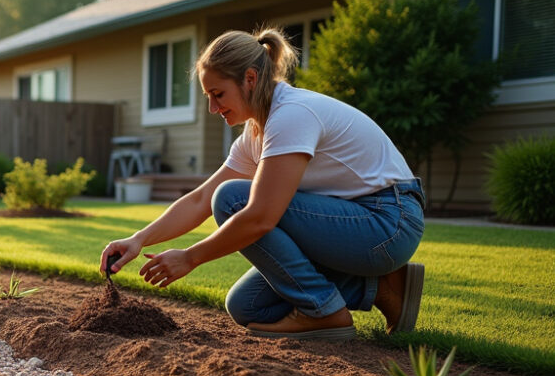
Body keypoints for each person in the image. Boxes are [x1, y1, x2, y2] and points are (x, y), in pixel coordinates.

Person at [100, 28, 425, 340]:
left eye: (218, 94)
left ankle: (323, 310)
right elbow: (201, 200)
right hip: (360, 223)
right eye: (208, 96)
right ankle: (383, 288)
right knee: (248, 306)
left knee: (233, 199)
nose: (213, 108)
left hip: (389, 221)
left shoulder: (291, 115)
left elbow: (261, 216)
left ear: (250, 79)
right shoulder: (257, 133)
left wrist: (190, 257)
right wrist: (138, 239)